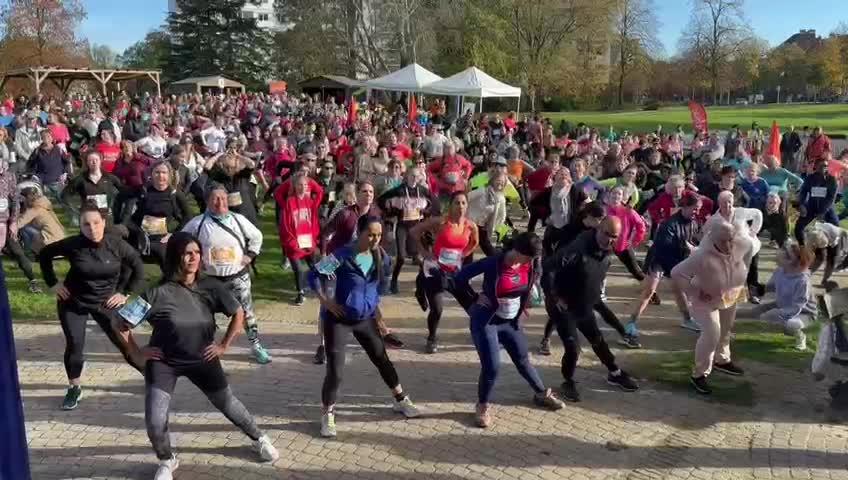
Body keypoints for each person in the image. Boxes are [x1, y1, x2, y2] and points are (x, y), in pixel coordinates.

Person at [115, 232, 279, 480]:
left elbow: (238, 313)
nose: (194, 258)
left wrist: (223, 346)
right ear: (175, 257)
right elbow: (121, 324)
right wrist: (136, 352)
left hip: (203, 358)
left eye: (197, 253)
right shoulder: (156, 292)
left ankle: (259, 438)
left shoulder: (210, 286)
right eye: (187, 253)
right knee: (155, 421)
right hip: (164, 362)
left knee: (228, 404)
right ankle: (167, 460)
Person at [308, 215, 421, 438]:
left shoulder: (381, 257)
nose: (375, 239)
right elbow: (313, 275)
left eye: (378, 235)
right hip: (338, 320)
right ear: (359, 233)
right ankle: (327, 414)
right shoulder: (343, 255)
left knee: (382, 358)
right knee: (336, 370)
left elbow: (380, 286)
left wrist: (378, 315)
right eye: (370, 235)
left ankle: (400, 399)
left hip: (365, 319)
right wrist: (326, 301)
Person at [38, 203, 145, 410]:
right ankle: (74, 388)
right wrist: (53, 283)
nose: (92, 228)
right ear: (80, 226)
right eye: (86, 224)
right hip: (74, 302)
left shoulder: (116, 244)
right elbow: (44, 255)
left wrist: (124, 293)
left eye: (96, 223)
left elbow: (138, 267)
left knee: (125, 343)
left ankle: (151, 377)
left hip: (106, 302)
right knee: (75, 344)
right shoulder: (73, 244)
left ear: (103, 222)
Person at [453, 232, 564, 427]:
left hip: (511, 322)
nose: (531, 261)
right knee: (492, 367)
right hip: (487, 321)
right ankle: (482, 406)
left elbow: (533, 286)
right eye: (529, 257)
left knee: (522, 359)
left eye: (534, 258)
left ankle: (541, 394)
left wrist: (528, 308)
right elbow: (459, 277)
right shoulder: (493, 263)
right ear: (518, 251)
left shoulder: (529, 265)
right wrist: (474, 297)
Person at [543, 217, 639, 402]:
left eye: (614, 236)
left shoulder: (607, 250)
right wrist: (555, 297)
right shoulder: (577, 249)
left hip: (584, 303)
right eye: (606, 234)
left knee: (598, 340)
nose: (609, 240)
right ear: (598, 229)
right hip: (564, 306)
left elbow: (623, 262)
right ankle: (568, 381)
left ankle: (614, 373)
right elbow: (548, 268)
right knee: (573, 348)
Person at [182, 185, 271, 365]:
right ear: (207, 201)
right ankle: (203, 347)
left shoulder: (238, 220)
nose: (220, 202)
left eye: (223, 198)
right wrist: (194, 261)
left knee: (246, 313)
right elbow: (182, 240)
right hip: (209, 280)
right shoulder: (198, 223)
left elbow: (257, 237)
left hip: (238, 277)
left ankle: (255, 345)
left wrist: (250, 255)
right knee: (203, 315)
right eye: (215, 198)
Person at [672, 220, 754, 395]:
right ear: (712, 238)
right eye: (723, 240)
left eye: (731, 238)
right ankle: (699, 374)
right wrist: (694, 291)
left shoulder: (742, 245)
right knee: (712, 333)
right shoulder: (701, 256)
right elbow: (677, 273)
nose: (728, 244)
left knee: (725, 330)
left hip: (731, 295)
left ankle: (722, 360)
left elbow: (748, 252)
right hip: (705, 301)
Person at [625, 194, 702, 347]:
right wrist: (681, 263)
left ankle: (687, 320)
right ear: (685, 206)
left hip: (675, 260)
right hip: (659, 259)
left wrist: (694, 248)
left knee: (679, 290)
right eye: (695, 209)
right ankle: (631, 323)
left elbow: (690, 241)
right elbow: (663, 249)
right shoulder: (669, 225)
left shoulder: (693, 222)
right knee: (649, 291)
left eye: (698, 209)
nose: (697, 212)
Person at [410, 192, 478, 353]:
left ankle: (480, 333)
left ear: (467, 206)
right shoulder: (440, 222)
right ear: (450, 205)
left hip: (454, 271)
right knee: (437, 309)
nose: (460, 206)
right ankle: (432, 338)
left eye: (463, 203)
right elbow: (413, 231)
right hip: (435, 269)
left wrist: (463, 254)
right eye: (457, 203)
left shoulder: (471, 226)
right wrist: (423, 252)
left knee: (472, 305)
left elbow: (474, 243)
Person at [748, 241, 816, 351]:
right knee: (756, 313)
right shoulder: (780, 271)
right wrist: (757, 292)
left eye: (785, 253)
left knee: (791, 324)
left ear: (793, 262)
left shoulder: (803, 281)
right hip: (783, 305)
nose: (779, 253)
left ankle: (800, 336)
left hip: (804, 313)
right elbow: (770, 288)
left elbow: (797, 306)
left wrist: (779, 314)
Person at [378, 167, 436, 293]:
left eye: (417, 176)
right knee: (401, 258)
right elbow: (381, 199)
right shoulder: (400, 190)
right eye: (412, 175)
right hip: (402, 226)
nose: (414, 178)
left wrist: (426, 211)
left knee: (419, 258)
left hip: (416, 227)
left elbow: (435, 202)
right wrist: (390, 210)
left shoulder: (422, 190)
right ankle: (394, 281)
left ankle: (424, 282)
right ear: (407, 176)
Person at [125, 161, 191, 268]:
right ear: (151, 174)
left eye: (164, 173)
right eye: (157, 172)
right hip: (140, 235)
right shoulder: (143, 191)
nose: (161, 176)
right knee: (128, 263)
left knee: (167, 260)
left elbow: (188, 216)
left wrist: (173, 234)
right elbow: (128, 216)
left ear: (169, 175)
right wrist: (137, 232)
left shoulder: (175, 194)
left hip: (162, 238)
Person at [278, 172, 323, 305]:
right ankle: (300, 292)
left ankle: (318, 287)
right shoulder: (289, 202)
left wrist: (313, 241)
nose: (303, 187)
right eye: (300, 184)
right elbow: (285, 226)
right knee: (298, 269)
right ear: (295, 186)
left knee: (314, 265)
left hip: (308, 241)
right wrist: (293, 243)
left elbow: (314, 224)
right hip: (294, 242)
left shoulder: (310, 202)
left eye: (305, 185)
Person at [60, 150, 123, 218]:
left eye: (96, 160)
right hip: (88, 216)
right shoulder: (80, 179)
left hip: (105, 216)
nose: (94, 162)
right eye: (91, 160)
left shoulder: (110, 178)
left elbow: (123, 192)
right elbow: (65, 195)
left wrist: (114, 207)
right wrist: (75, 211)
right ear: (87, 163)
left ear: (100, 161)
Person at [604, 186, 647, 282]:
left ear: (623, 197)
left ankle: (650, 288)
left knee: (636, 272)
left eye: (619, 194)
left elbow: (641, 226)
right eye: (614, 193)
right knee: (600, 267)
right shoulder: (604, 210)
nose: (616, 196)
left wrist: (635, 241)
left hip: (622, 246)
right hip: (605, 245)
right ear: (609, 195)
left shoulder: (628, 211)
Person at [796, 158, 839, 245]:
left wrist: (823, 212)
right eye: (821, 165)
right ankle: (803, 246)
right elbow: (803, 193)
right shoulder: (809, 178)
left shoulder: (832, 180)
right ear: (815, 166)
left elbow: (831, 198)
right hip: (811, 206)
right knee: (799, 227)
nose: (824, 167)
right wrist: (801, 205)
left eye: (826, 166)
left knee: (835, 225)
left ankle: (831, 246)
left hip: (826, 207)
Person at [16, 184, 65, 257]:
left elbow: (18, 224)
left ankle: (29, 252)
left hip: (49, 244)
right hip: (60, 244)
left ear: (27, 198)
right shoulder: (44, 206)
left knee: (24, 228)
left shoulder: (34, 209)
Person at [467, 171, 508, 257]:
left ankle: (496, 261)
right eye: (498, 180)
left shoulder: (501, 199)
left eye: (502, 182)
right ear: (492, 180)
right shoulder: (482, 191)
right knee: (469, 245)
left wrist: (494, 225)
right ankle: (467, 263)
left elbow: (502, 215)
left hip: (483, 226)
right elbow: (466, 198)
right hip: (469, 223)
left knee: (486, 246)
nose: (500, 183)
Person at [804, 222, 848, 289]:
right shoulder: (812, 234)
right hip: (822, 237)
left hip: (836, 240)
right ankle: (806, 275)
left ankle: (824, 281)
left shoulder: (835, 232)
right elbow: (808, 251)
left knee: (831, 261)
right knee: (819, 258)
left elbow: (844, 234)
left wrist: (845, 251)